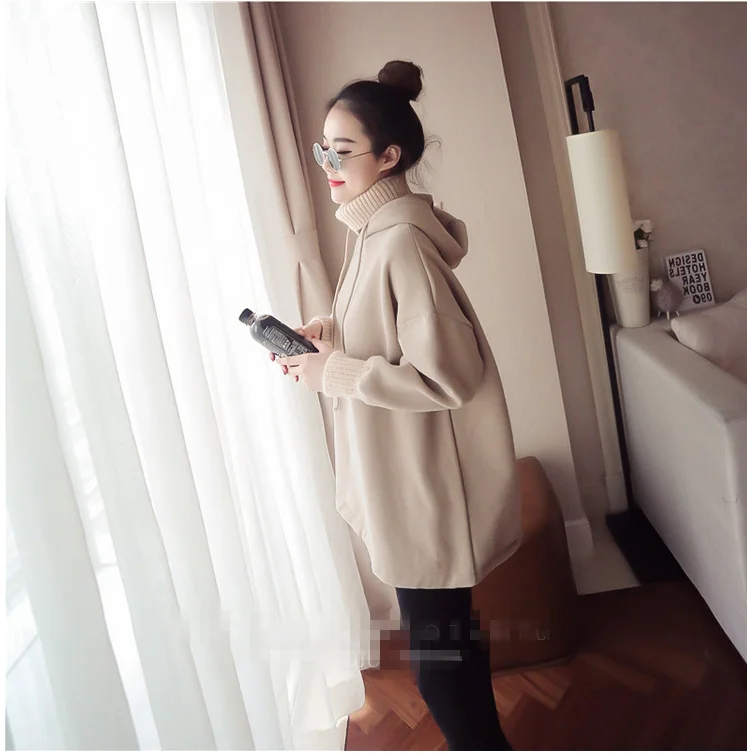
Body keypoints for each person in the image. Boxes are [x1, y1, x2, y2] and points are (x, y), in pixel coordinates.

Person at [273, 61, 521, 751]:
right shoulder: (372, 233)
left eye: (342, 151)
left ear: (389, 156)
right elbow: (387, 330)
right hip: (406, 477)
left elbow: (448, 377)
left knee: (440, 664)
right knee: (447, 646)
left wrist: (333, 372)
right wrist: (330, 333)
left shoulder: (399, 242)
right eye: (323, 150)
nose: (328, 166)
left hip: (419, 484)